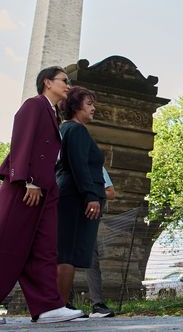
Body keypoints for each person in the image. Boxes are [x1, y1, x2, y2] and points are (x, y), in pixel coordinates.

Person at [0, 67, 84, 323]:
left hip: (47, 190)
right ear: (47, 82)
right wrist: (29, 181)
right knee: (7, 244)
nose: (68, 85)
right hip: (26, 188)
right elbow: (22, 141)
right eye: (64, 80)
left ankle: (47, 305)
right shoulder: (34, 105)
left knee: (45, 248)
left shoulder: (53, 113)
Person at [56, 86, 105, 312]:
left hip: (70, 195)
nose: (93, 108)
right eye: (89, 104)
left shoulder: (65, 129)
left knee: (68, 250)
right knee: (69, 251)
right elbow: (79, 166)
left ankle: (60, 304)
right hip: (76, 198)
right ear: (76, 107)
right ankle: (60, 305)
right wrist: (91, 196)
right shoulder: (76, 131)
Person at [86, 167, 116, 318]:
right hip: (63, 216)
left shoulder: (95, 165)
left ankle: (97, 304)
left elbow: (111, 192)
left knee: (92, 259)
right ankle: (59, 304)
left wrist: (90, 194)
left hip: (88, 218)